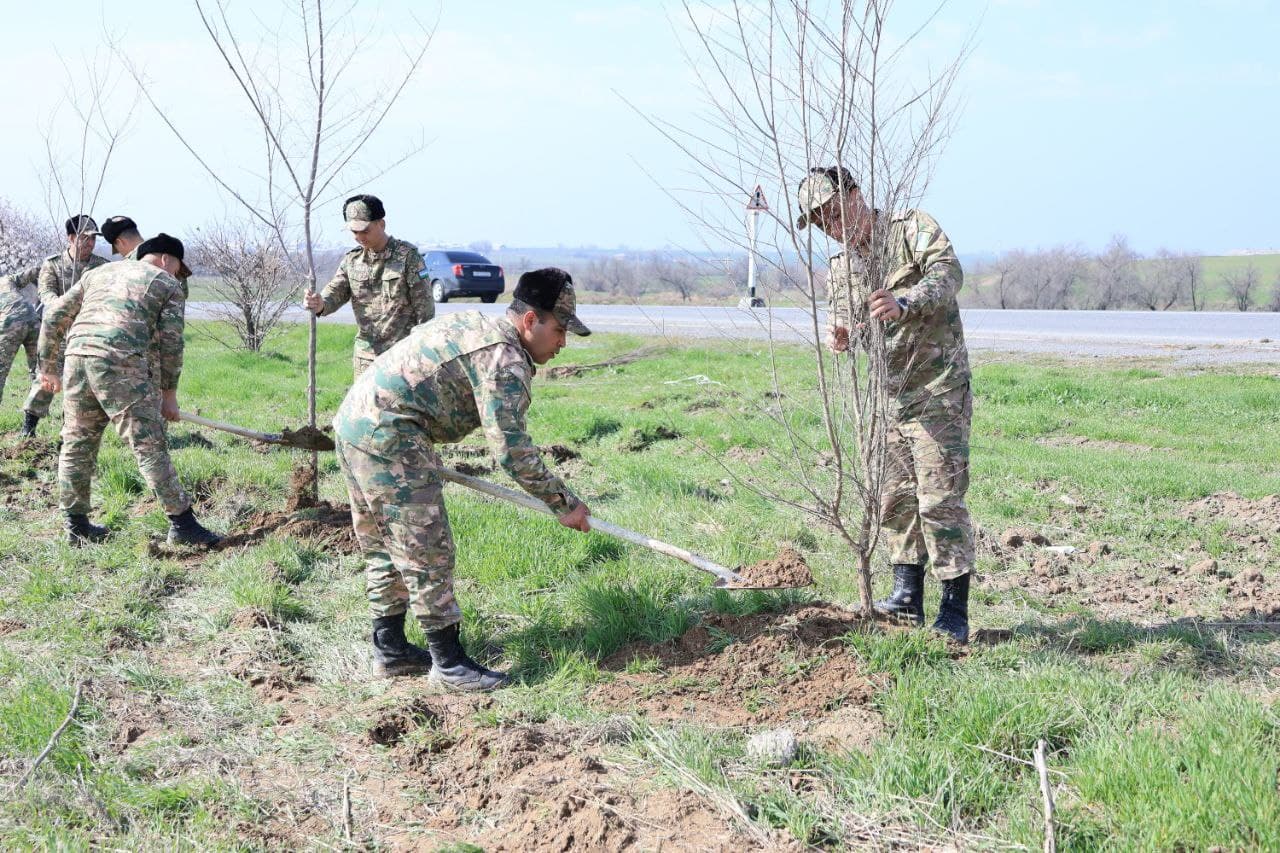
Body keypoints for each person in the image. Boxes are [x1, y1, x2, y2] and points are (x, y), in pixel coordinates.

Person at [332, 268, 591, 689]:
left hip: (355, 422)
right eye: (559, 330)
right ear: (530, 320)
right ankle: (449, 665)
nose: (562, 343)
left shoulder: (476, 323)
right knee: (426, 549)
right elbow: (512, 451)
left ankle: (391, 651)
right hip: (391, 435)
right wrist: (565, 503)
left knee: (384, 545)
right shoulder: (505, 359)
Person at [796, 165, 975, 643]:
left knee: (940, 499)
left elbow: (949, 273)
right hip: (890, 400)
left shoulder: (910, 228)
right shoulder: (841, 268)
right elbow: (847, 321)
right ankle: (906, 598)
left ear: (855, 194)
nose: (831, 226)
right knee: (896, 498)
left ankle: (954, 611)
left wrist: (905, 301)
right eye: (820, 222)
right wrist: (843, 334)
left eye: (833, 212)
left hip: (938, 390)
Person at [37, 233, 220, 548]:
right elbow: (171, 344)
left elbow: (53, 314)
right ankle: (183, 525)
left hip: (77, 358)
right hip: (119, 362)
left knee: (77, 443)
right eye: (178, 268)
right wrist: (169, 395)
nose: (178, 276)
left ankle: (76, 527)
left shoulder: (98, 273)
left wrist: (47, 367)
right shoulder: (166, 283)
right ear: (166, 259)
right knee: (148, 445)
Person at [303, 194, 434, 378]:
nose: (359, 237)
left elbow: (425, 309)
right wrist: (319, 303)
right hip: (366, 357)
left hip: (403, 355)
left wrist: (422, 351)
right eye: (354, 232)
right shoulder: (352, 260)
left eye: (364, 231)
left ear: (381, 224)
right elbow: (336, 291)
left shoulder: (408, 257)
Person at [20, 214, 109, 437]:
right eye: (84, 237)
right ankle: (28, 428)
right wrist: (63, 309)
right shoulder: (53, 265)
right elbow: (46, 293)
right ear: (71, 238)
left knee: (80, 384)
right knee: (45, 379)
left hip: (87, 333)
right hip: (57, 332)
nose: (90, 243)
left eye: (93, 238)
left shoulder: (102, 267)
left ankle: (68, 432)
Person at [0, 273, 38, 408]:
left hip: (11, 322)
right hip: (33, 318)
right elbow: (33, 271)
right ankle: (35, 411)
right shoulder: (7, 279)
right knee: (38, 370)